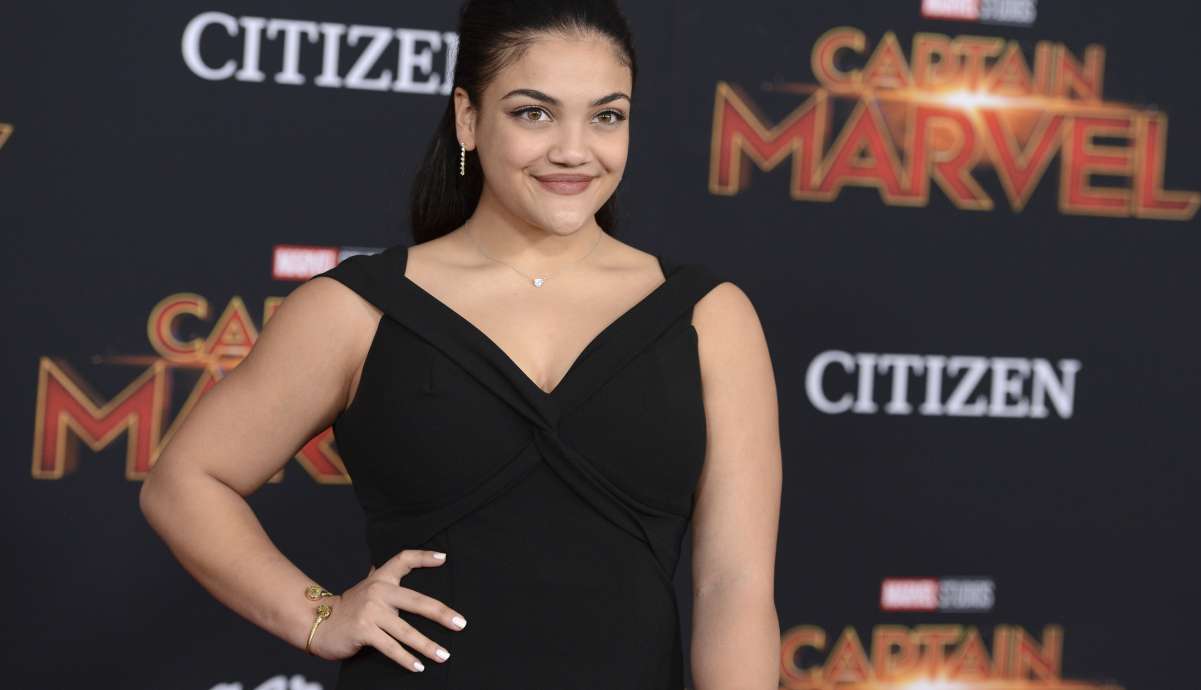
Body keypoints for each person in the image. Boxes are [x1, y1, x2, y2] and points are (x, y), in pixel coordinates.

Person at [139, 0, 782, 687]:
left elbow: (734, 591)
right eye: (534, 112)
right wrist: (318, 615)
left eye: (607, 115)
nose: (574, 149)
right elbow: (185, 482)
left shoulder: (709, 318)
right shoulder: (354, 309)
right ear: (467, 117)